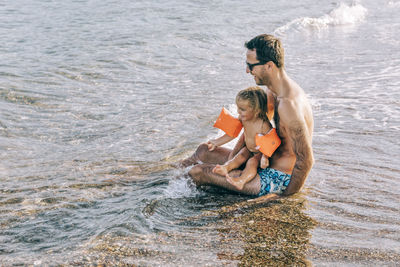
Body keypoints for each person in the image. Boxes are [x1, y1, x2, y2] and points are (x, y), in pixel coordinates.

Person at [181, 34, 314, 202]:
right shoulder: (273, 91)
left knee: (198, 173)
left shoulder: (290, 105)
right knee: (203, 151)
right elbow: (253, 127)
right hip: (260, 160)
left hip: (276, 177)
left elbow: (306, 160)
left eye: (251, 66)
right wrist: (233, 159)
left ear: (269, 66)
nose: (247, 71)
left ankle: (168, 191)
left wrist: (285, 198)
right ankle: (161, 178)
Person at [208, 87, 274, 190]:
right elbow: (232, 133)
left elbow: (270, 141)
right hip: (248, 149)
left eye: (242, 109)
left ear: (256, 111)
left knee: (252, 162)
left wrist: (265, 157)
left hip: (259, 152)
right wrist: (216, 142)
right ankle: (226, 168)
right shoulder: (244, 119)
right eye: (238, 108)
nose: (238, 111)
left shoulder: (263, 124)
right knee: (240, 156)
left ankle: (241, 181)